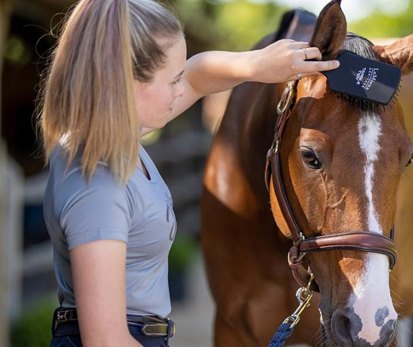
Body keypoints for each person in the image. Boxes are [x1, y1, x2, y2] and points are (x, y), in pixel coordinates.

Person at [38, 0, 339, 346]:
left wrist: (259, 63)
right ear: (125, 79)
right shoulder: (97, 180)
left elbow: (198, 75)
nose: (182, 89)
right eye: (172, 80)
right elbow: (106, 340)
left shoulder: (115, 140)